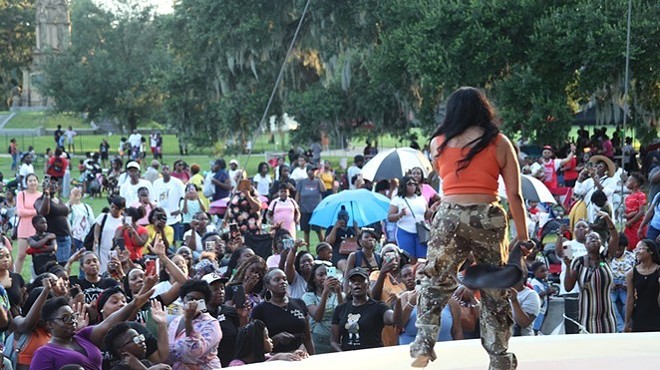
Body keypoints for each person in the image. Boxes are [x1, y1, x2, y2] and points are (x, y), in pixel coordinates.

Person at [411, 87, 530, 369]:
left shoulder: (439, 142)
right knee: (494, 288)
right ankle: (499, 356)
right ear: (483, 109)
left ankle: (423, 344)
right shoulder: (499, 142)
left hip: (448, 215)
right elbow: (514, 195)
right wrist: (522, 238)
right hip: (486, 216)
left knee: (435, 280)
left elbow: (448, 179)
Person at [30, 284, 154, 370]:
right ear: (50, 324)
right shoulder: (44, 353)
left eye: (73, 316)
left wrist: (133, 304)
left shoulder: (83, 336)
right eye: (65, 318)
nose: (73, 321)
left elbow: (108, 323)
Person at [562, 217, 619, 334]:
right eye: (591, 239)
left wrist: (607, 219)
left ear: (601, 243)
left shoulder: (605, 258)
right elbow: (568, 287)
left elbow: (615, 237)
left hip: (607, 316)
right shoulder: (578, 262)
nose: (594, 240)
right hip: (587, 317)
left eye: (597, 239)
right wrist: (567, 267)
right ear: (585, 245)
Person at [331, 267, 400, 351]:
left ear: (368, 284)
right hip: (348, 358)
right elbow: (334, 341)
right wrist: (343, 355)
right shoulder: (340, 309)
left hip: (371, 357)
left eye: (361, 280)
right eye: (353, 281)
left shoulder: (378, 307)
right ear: (349, 285)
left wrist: (398, 302)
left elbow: (395, 319)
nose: (357, 283)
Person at [251, 269, 315, 355]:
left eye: (284, 279)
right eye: (277, 280)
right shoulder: (260, 310)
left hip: (300, 355)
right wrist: (275, 340)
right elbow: (255, 343)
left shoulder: (299, 303)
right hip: (274, 358)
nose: (282, 282)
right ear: (268, 285)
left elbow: (308, 338)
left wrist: (312, 357)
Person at [398, 261, 463, 345]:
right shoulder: (405, 297)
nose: (425, 277)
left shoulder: (450, 300)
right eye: (421, 273)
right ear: (414, 277)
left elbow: (457, 331)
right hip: (412, 352)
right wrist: (411, 303)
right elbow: (399, 324)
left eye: (429, 273)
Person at [167, 279, 222, 369]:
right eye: (190, 299)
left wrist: (188, 321)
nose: (193, 303)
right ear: (183, 299)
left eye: (199, 301)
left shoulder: (211, 324)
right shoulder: (175, 322)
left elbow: (194, 352)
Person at [301, 261, 343, 354]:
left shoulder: (339, 294)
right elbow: (317, 317)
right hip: (319, 342)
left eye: (327, 274)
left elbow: (343, 314)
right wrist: (325, 292)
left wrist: (339, 292)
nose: (325, 277)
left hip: (337, 340)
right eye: (320, 275)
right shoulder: (308, 297)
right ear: (314, 279)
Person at [369, 244, 408, 346]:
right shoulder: (376, 274)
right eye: (386, 255)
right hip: (385, 324)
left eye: (392, 253)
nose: (390, 257)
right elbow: (374, 297)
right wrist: (383, 273)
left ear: (399, 257)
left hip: (404, 322)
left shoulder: (407, 275)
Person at [388, 176, 432, 263]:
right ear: (404, 185)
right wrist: (400, 214)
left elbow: (426, 215)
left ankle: (419, 276)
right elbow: (390, 217)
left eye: (415, 184)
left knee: (422, 259)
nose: (413, 186)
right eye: (410, 184)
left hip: (421, 233)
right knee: (408, 258)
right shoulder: (397, 200)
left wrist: (432, 211)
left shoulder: (421, 198)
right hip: (405, 232)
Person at [229, 319, 306, 366]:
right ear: (257, 342)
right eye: (267, 337)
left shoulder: (266, 358)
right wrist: (277, 357)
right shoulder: (236, 364)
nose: (271, 340)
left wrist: (294, 356)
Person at [624, 239, 660, 332]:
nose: (637, 252)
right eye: (636, 250)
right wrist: (627, 322)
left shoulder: (658, 271)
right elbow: (630, 299)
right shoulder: (631, 273)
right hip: (639, 316)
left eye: (640, 248)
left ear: (651, 251)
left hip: (657, 316)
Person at [36, 178, 72, 266]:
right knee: (55, 265)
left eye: (55, 184)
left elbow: (65, 218)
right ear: (44, 186)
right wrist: (47, 196)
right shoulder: (39, 201)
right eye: (50, 184)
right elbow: (43, 212)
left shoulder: (60, 201)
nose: (53, 186)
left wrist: (71, 236)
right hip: (54, 239)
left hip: (66, 238)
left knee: (66, 265)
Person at [15, 173, 42, 273]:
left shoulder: (41, 196)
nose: (32, 183)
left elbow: (44, 211)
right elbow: (20, 212)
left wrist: (34, 212)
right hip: (24, 228)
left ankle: (35, 277)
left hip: (37, 229)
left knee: (37, 255)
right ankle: (15, 276)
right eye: (30, 181)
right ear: (26, 182)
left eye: (34, 180)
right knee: (21, 255)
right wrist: (36, 212)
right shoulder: (21, 194)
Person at [153, 165, 186, 243]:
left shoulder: (177, 182)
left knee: (175, 240)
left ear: (171, 171)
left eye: (167, 169)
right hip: (161, 217)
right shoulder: (156, 183)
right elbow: (154, 199)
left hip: (174, 217)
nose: (165, 171)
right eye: (163, 169)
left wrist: (179, 211)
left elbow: (184, 198)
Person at [93, 196, 126, 274]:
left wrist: (121, 250)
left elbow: (123, 236)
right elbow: (97, 227)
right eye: (112, 207)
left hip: (116, 251)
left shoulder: (123, 220)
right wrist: (96, 239)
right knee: (101, 270)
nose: (113, 210)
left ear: (122, 209)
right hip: (102, 249)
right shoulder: (104, 216)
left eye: (116, 208)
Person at [609, 233, 635, 332]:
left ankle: (627, 325)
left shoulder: (631, 257)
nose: (616, 252)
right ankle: (620, 327)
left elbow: (635, 271)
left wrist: (628, 284)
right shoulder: (607, 257)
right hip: (612, 284)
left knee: (626, 303)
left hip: (626, 284)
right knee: (611, 303)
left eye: (619, 249)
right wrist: (610, 282)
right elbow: (603, 266)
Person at [295, 165, 325, 246]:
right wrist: (296, 206)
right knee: (306, 230)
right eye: (311, 170)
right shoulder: (302, 182)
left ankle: (323, 246)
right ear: (307, 171)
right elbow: (298, 194)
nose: (313, 172)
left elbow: (323, 189)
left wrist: (319, 178)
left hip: (316, 210)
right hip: (304, 209)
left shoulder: (317, 181)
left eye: (314, 170)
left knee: (318, 230)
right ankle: (307, 248)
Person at [623, 172, 647, 250]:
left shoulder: (641, 195)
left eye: (629, 180)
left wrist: (631, 221)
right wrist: (627, 216)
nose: (627, 182)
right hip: (629, 226)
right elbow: (626, 212)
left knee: (637, 246)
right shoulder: (627, 197)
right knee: (628, 245)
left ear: (635, 184)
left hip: (637, 226)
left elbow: (641, 212)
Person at [67, 188, 95, 253]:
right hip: (73, 237)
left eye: (78, 193)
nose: (76, 195)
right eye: (73, 193)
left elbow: (92, 222)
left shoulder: (86, 207)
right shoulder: (69, 207)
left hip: (85, 237)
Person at [529, 261, 553, 335]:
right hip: (538, 309)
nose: (545, 273)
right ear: (535, 272)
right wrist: (546, 292)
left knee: (541, 322)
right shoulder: (535, 283)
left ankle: (537, 331)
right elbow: (536, 294)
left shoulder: (543, 282)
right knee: (536, 323)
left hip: (543, 308)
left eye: (546, 271)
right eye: (542, 271)